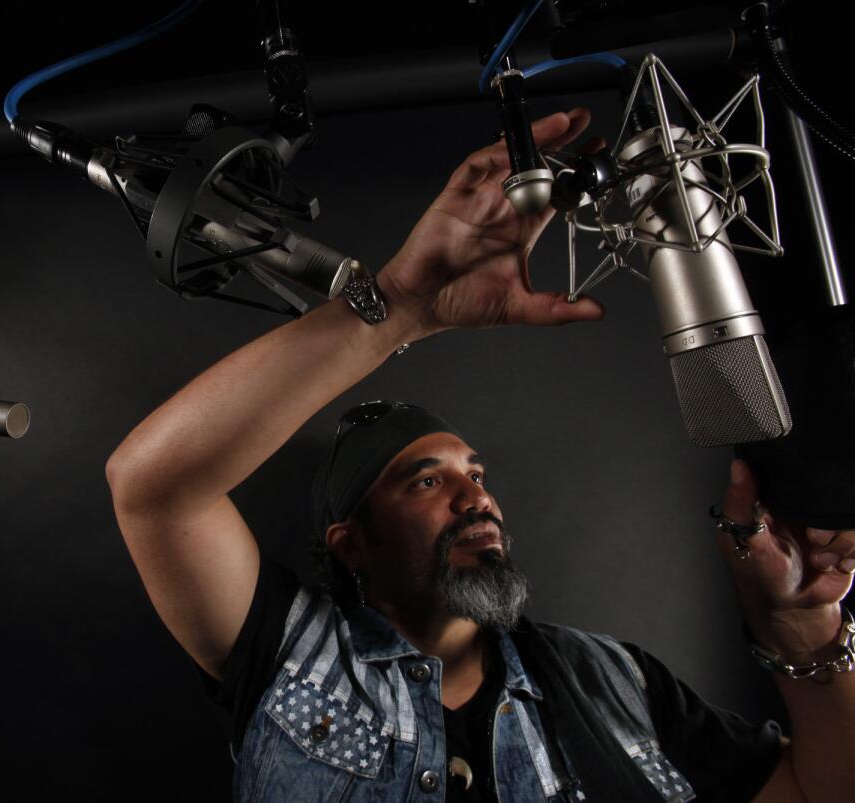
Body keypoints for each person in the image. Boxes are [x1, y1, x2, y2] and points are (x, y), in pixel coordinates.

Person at [105, 107, 855, 802]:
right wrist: (404, 304)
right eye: (426, 479)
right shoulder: (285, 653)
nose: (477, 498)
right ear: (351, 542)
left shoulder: (614, 682)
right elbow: (151, 487)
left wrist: (796, 625)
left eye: (476, 474)